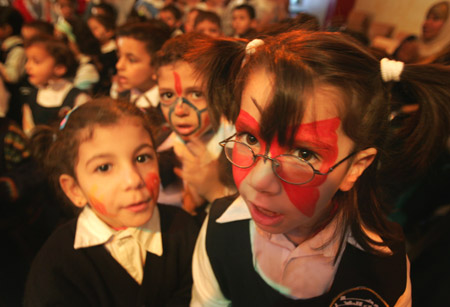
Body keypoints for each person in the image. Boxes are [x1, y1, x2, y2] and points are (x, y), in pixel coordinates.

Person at [188, 30, 450, 306]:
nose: (258, 180)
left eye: (303, 154)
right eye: (250, 138)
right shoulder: (221, 228)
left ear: (355, 168)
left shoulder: (382, 268)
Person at [24, 98, 199, 306]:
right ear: (74, 190)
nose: (133, 180)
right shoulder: (57, 265)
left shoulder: (188, 231)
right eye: (104, 167)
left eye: (142, 158)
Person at [154, 32, 236, 222]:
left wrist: (214, 190)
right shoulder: (158, 146)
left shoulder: (239, 153)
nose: (180, 110)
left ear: (221, 92)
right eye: (167, 96)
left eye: (196, 94)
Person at [21, 35, 90, 135]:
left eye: (36, 62)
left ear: (59, 68)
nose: (27, 66)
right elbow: (28, 130)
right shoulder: (33, 95)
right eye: (27, 60)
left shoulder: (77, 97)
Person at [114, 20, 171, 109]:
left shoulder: (168, 106)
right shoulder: (121, 99)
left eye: (131, 60)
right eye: (119, 57)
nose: (119, 65)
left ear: (156, 66)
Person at [0, 6, 27, 123]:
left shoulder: (18, 50)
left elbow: (12, 76)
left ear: (8, 29)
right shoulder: (5, 46)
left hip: (13, 103)